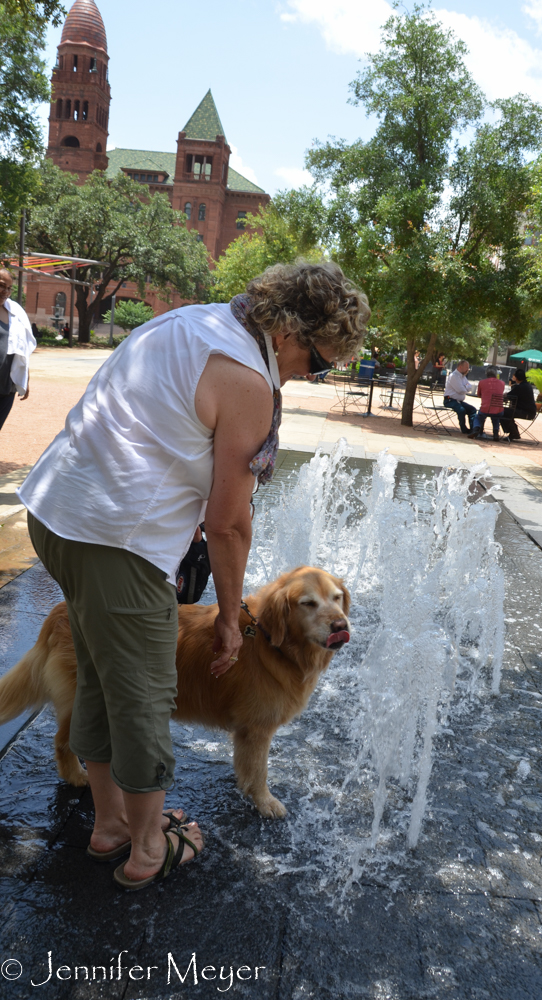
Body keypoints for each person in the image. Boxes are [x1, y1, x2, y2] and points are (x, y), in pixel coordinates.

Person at [18, 261, 370, 890]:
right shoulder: (247, 380)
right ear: (290, 333)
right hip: (112, 536)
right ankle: (149, 846)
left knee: (100, 679)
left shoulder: (191, 322)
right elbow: (230, 524)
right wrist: (233, 618)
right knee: (148, 693)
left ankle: (110, 824)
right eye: (319, 361)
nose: (313, 374)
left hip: (56, 510)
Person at [0, 269, 35, 430]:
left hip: (7, 385)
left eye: (9, 288)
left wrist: (25, 377)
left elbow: (23, 348)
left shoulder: (15, 312)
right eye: (2, 286)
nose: (6, 292)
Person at [499, 369, 537, 441]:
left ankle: (513, 432)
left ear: (516, 378)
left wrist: (503, 395)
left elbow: (509, 395)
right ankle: (514, 432)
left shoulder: (520, 387)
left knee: (502, 412)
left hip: (526, 412)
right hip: (529, 411)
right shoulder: (526, 385)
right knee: (507, 412)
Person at [468, 367, 505, 440]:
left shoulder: (482, 382)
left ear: (486, 374)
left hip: (485, 409)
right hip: (498, 410)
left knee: (478, 417)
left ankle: (476, 429)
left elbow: (479, 394)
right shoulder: (502, 383)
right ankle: (495, 432)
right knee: (496, 417)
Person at [444, 360, 476, 434]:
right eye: (466, 367)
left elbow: (470, 387)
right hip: (450, 400)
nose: (468, 369)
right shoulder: (454, 376)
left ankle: (473, 429)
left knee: (472, 410)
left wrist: (464, 387)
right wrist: (465, 387)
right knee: (461, 410)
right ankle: (463, 429)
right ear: (460, 367)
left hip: (459, 401)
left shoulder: (463, 377)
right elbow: (460, 390)